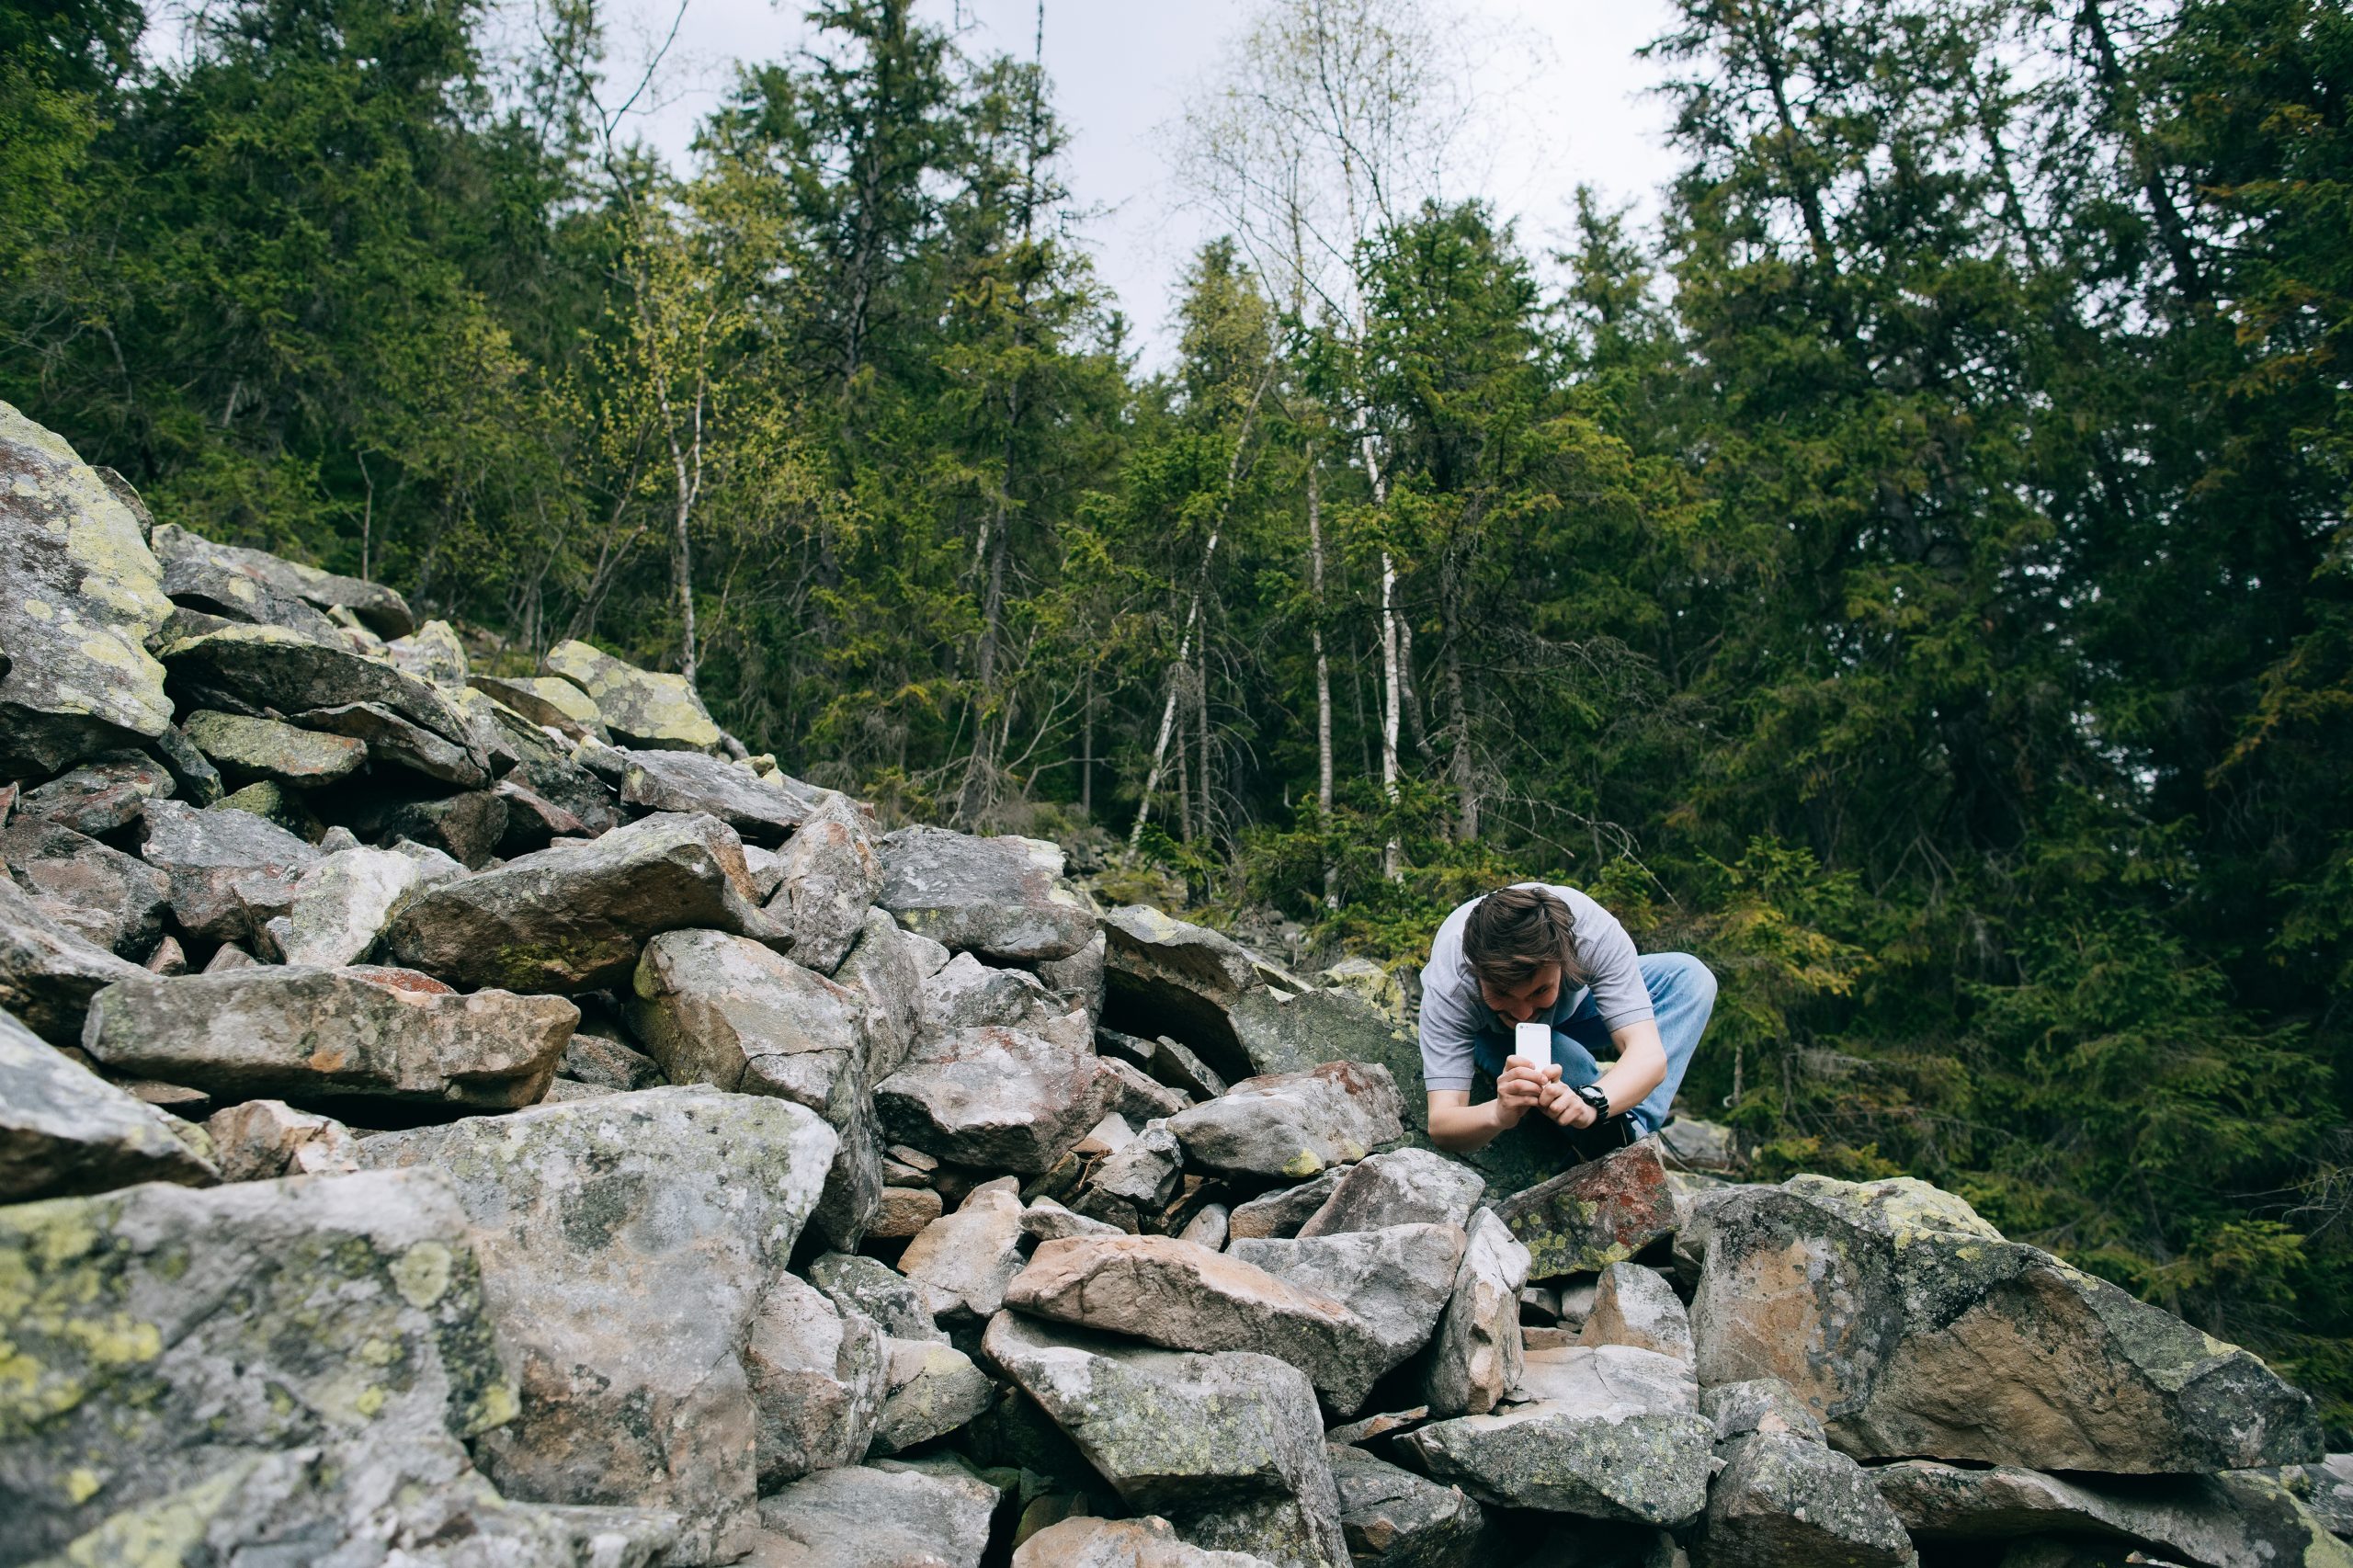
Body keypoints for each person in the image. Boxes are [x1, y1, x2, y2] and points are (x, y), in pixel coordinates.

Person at [1418, 883, 1714, 1158]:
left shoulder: (1591, 934)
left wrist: (1594, 1102)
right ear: (1476, 973)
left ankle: (1629, 1128)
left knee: (1690, 979)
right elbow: (1443, 1123)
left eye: (1539, 990)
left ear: (1565, 957)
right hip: (1495, 1034)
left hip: (1578, 1008)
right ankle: (1606, 1120)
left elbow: (1648, 1054)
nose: (1523, 1013)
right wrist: (1497, 1113)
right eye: (1502, 994)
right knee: (1571, 1068)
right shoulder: (1451, 982)